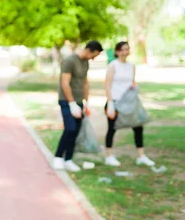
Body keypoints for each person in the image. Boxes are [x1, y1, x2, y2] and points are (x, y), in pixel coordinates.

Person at [53, 40, 103, 172]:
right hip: (66, 101)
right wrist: (71, 103)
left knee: (76, 131)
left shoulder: (85, 62)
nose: (93, 58)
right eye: (94, 55)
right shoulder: (70, 61)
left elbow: (85, 82)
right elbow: (65, 83)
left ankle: (68, 159)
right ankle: (58, 157)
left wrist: (86, 102)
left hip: (79, 101)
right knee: (69, 129)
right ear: (88, 50)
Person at [104, 41, 155, 167]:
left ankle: (141, 156)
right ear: (117, 52)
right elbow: (107, 85)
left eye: (126, 49)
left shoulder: (131, 66)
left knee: (138, 127)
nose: (124, 52)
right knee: (112, 129)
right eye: (121, 50)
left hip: (129, 102)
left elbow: (132, 81)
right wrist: (110, 103)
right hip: (115, 101)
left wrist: (133, 87)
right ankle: (109, 156)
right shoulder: (113, 65)